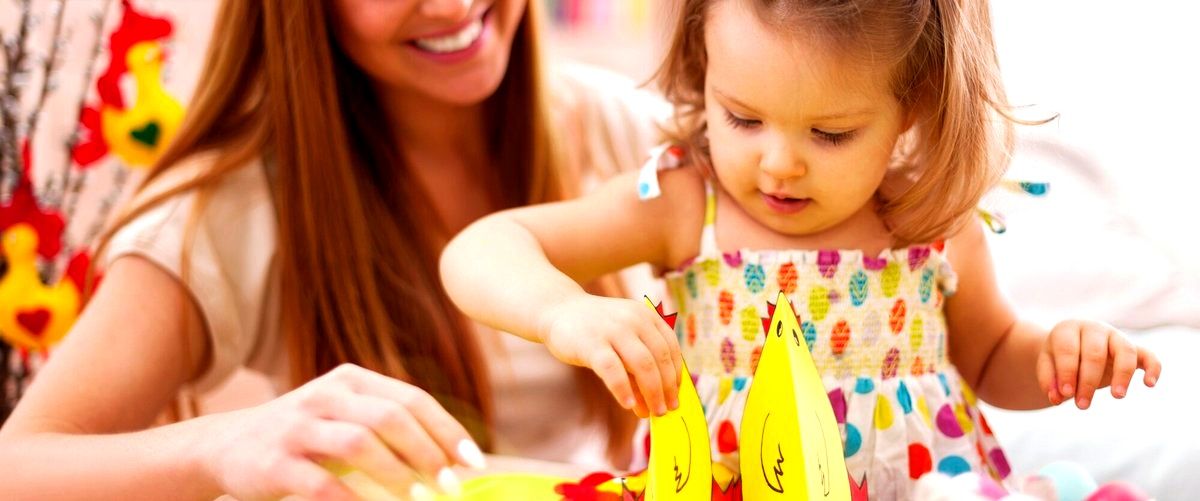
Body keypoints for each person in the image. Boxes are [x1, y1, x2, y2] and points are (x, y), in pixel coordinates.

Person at [440, 0, 1163, 497]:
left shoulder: (930, 220)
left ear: (911, 103)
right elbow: (482, 248)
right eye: (743, 117)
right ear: (704, 67)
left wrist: (1057, 360)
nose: (779, 163)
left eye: (831, 133)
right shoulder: (689, 201)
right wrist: (563, 311)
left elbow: (992, 352)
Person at [0, 0, 666, 499]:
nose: (452, 6)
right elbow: (17, 466)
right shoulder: (231, 211)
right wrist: (229, 442)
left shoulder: (623, 130)